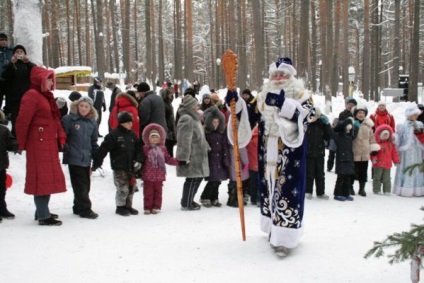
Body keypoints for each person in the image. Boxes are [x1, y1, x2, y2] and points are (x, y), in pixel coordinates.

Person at [226, 56, 313, 257]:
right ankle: (273, 229)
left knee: (287, 193)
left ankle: (285, 240)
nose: (278, 77)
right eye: (275, 74)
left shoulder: (301, 94)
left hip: (290, 155)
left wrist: (286, 106)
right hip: (267, 153)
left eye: (282, 74)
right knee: (270, 190)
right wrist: (236, 103)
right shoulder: (263, 95)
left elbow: (309, 116)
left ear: (291, 75)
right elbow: (249, 115)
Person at [15, 66, 67, 226]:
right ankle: (43, 216)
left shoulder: (45, 97)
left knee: (47, 178)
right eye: (49, 79)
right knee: (41, 178)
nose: (52, 82)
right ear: (40, 80)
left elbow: (54, 120)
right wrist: (21, 143)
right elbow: (22, 122)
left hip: (47, 143)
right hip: (38, 144)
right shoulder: (32, 96)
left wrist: (61, 137)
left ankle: (42, 211)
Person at [92, 111, 144, 216]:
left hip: (131, 166)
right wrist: (96, 164)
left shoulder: (132, 135)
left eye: (131, 122)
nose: (131, 124)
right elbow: (103, 150)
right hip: (119, 166)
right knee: (122, 188)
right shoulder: (113, 135)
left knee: (131, 187)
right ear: (122, 123)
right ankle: (120, 207)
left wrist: (139, 160)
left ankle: (128, 206)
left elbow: (139, 149)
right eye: (128, 122)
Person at [61, 96, 99, 219]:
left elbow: (93, 141)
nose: (83, 109)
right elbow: (62, 136)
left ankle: (77, 206)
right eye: (81, 106)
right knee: (80, 185)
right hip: (74, 157)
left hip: (86, 158)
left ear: (90, 109)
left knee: (85, 185)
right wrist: (65, 147)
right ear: (77, 106)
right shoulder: (69, 119)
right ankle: (85, 209)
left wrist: (96, 156)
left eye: (86, 107)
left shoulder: (92, 122)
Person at [176, 95, 210, 211]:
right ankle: (186, 203)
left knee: (197, 178)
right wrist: (184, 156)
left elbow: (200, 136)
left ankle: (188, 199)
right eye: (196, 105)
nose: (198, 107)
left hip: (199, 153)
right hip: (193, 155)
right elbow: (184, 139)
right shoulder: (187, 118)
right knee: (192, 179)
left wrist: (206, 146)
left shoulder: (194, 118)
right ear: (191, 106)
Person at [141, 123, 178, 215]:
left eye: (156, 137)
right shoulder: (145, 149)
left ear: (160, 138)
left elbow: (168, 159)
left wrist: (179, 161)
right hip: (148, 175)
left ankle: (156, 206)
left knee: (158, 192)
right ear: (148, 138)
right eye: (152, 137)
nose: (154, 139)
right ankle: (147, 207)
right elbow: (141, 160)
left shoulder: (163, 148)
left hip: (159, 175)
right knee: (148, 192)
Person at [1, 45, 35, 137]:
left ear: (25, 54)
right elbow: (5, 77)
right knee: (16, 119)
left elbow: (36, 72)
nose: (19, 53)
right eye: (17, 52)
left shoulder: (28, 65)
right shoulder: (10, 65)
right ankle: (15, 139)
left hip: (27, 97)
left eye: (21, 51)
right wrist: (11, 64)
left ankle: (27, 137)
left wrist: (28, 63)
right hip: (14, 98)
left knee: (27, 118)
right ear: (13, 54)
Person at [199, 107, 229, 208]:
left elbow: (225, 145)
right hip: (211, 159)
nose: (215, 124)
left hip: (220, 158)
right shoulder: (206, 132)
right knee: (213, 180)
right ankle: (205, 197)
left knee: (218, 180)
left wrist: (226, 157)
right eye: (213, 122)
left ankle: (214, 198)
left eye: (217, 122)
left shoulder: (221, 132)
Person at [393, 105, 424, 197]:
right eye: (413, 114)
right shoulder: (403, 125)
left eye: (416, 115)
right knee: (406, 167)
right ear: (408, 115)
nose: (415, 116)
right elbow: (399, 137)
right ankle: (405, 188)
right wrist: (395, 138)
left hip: (417, 150)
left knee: (417, 168)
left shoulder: (420, 124)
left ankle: (417, 189)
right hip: (406, 151)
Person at [351, 104, 380, 197]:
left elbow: (371, 137)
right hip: (354, 151)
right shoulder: (352, 123)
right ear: (355, 114)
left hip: (365, 152)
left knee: (363, 171)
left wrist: (373, 146)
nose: (361, 114)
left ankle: (361, 188)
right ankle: (350, 187)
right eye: (359, 113)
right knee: (352, 171)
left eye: (363, 113)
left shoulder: (368, 125)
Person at [305, 107, 332, 200]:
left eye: (315, 116)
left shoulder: (322, 124)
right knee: (309, 173)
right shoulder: (306, 125)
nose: (313, 118)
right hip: (308, 153)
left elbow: (329, 136)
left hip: (320, 153)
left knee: (320, 174)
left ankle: (321, 192)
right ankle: (308, 191)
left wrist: (327, 124)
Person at [332, 117, 357, 201]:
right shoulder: (339, 136)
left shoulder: (350, 137)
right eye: (348, 127)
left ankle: (346, 193)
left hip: (349, 159)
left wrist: (356, 125)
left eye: (351, 127)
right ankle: (337, 194)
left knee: (347, 179)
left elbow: (355, 133)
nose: (349, 129)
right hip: (341, 159)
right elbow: (332, 132)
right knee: (341, 178)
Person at [0, 110, 19, 221]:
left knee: (1, 189)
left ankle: (2, 208)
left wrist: (15, 145)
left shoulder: (3, 130)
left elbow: (10, 142)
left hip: (1, 165)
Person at [370, 124, 400, 196]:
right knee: (377, 177)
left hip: (387, 164)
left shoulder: (390, 144)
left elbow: (394, 153)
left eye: (387, 135)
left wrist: (396, 161)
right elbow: (373, 153)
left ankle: (387, 190)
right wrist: (374, 159)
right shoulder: (376, 144)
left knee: (387, 178)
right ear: (380, 135)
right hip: (378, 164)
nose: (385, 136)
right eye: (384, 135)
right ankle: (376, 190)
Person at [160, 87, 176, 157]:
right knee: (168, 151)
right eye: (169, 93)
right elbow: (163, 118)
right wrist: (167, 131)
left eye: (172, 93)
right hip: (167, 130)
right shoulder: (163, 104)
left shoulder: (169, 103)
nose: (171, 95)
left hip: (171, 129)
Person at [245, 125, 259, 205]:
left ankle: (253, 199)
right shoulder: (262, 141)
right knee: (259, 183)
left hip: (251, 166)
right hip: (260, 166)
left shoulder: (249, 140)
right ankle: (259, 200)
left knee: (253, 183)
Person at [0, 33, 13, 111]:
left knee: (10, 99)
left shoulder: (11, 51)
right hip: (0, 79)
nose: (4, 42)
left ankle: (7, 113)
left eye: (5, 40)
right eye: (1, 40)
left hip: (9, 80)